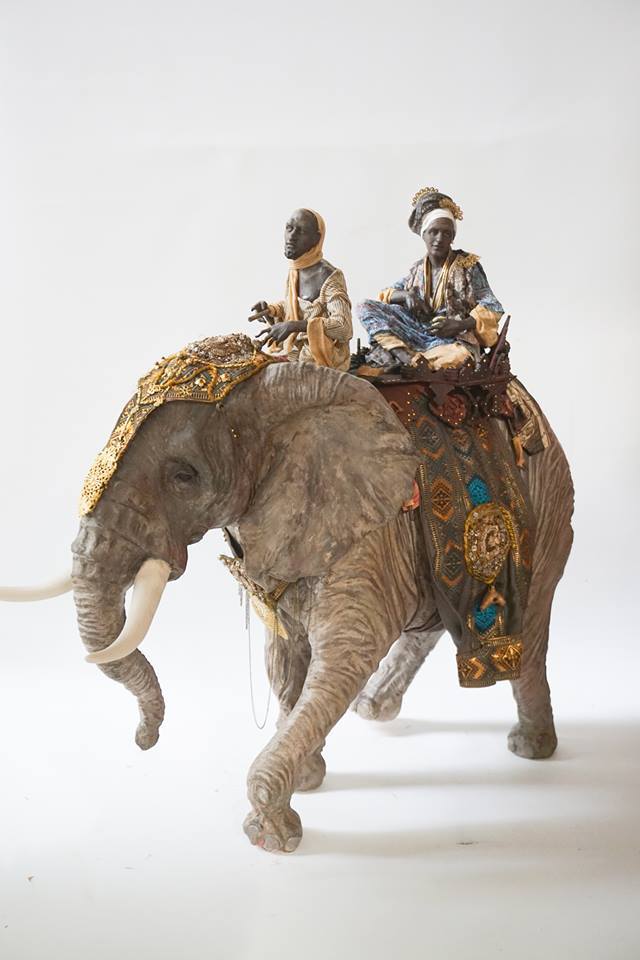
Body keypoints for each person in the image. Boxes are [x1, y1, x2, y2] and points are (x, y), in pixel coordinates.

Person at [357, 188, 503, 371]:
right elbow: (386, 294)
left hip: (451, 339)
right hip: (416, 332)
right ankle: (404, 356)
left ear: (452, 237)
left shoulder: (467, 266)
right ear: (424, 234)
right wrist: (407, 295)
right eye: (434, 232)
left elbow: (493, 306)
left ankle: (413, 362)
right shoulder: (417, 270)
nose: (439, 239)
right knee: (364, 306)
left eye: (446, 233)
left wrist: (459, 325)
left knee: (459, 357)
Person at [249, 208, 353, 371]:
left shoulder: (329, 276)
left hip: (320, 357)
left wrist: (294, 326)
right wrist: (271, 310)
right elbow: (298, 307)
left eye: (301, 231)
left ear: (316, 238)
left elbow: (343, 327)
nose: (291, 236)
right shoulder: (296, 269)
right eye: (289, 228)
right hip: (294, 350)